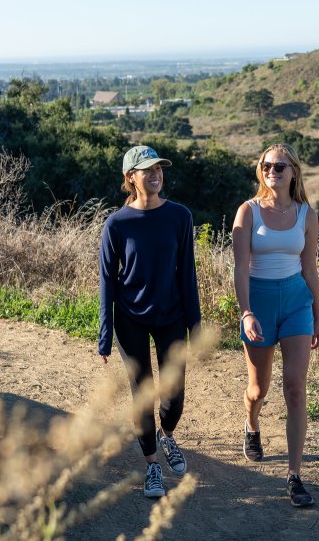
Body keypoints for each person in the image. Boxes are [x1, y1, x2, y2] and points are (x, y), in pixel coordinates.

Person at [99, 145, 201, 498]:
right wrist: (104, 332)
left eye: (159, 168)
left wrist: (196, 325)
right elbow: (107, 282)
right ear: (130, 177)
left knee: (173, 395)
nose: (156, 173)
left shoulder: (180, 216)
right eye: (147, 169)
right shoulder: (116, 224)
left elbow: (188, 275)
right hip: (130, 319)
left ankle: (167, 435)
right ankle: (152, 465)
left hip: (171, 315)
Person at [232, 143, 319, 507]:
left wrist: (318, 315)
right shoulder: (248, 212)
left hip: (296, 303)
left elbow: (310, 269)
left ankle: (294, 476)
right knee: (258, 389)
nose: (273, 171)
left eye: (280, 166)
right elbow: (240, 268)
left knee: (296, 388)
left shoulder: (307, 214)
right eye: (267, 165)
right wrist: (246, 312)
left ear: (293, 172)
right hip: (260, 303)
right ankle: (252, 426)